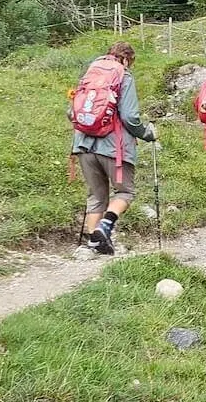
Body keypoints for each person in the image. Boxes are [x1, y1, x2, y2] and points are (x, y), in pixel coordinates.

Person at [72, 41, 157, 255]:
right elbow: (129, 116)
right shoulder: (124, 75)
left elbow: (71, 112)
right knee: (125, 192)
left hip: (83, 144)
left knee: (96, 196)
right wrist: (147, 134)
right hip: (114, 147)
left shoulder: (91, 73)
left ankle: (94, 244)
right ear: (127, 59)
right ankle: (105, 227)